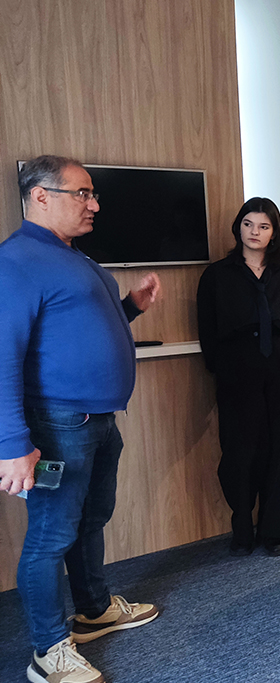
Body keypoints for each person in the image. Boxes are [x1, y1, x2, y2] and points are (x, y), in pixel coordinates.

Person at [0, 155, 161, 683]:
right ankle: (48, 652)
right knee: (50, 537)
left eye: (93, 194)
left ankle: (93, 610)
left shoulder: (73, 256)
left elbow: (78, 324)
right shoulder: (16, 261)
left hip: (97, 422)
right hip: (56, 427)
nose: (94, 204)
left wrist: (130, 306)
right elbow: (3, 355)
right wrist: (11, 444)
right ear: (40, 196)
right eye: (82, 193)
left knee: (92, 520)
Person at [197, 197, 280, 558]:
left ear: (274, 233)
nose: (254, 232)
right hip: (237, 371)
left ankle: (274, 529)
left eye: (263, 226)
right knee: (239, 450)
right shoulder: (217, 275)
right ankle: (242, 525)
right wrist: (222, 368)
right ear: (238, 227)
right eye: (248, 224)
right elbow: (207, 330)